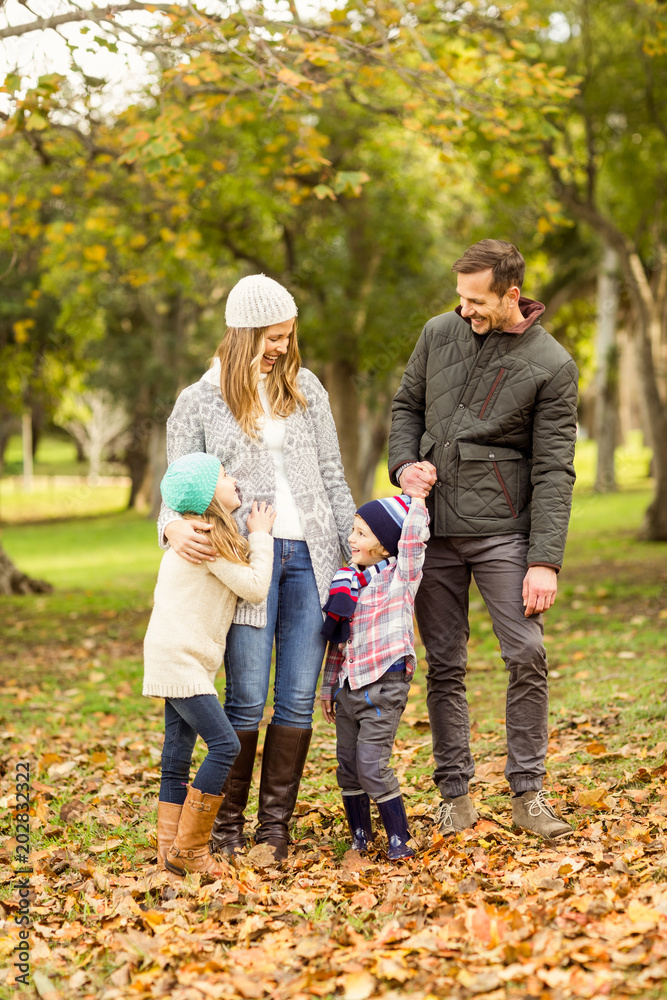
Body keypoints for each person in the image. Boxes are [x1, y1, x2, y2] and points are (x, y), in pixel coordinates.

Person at [158, 274, 356, 861]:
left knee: (295, 698)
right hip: (247, 561)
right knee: (245, 698)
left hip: (312, 561)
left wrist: (355, 552)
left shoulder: (308, 388)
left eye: (287, 337)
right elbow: (176, 489)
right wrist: (168, 528)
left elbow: (333, 476)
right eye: (271, 337)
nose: (280, 348)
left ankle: (275, 830)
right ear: (243, 333)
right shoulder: (199, 399)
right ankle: (225, 829)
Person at [388, 239, 578, 840]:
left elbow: (554, 468)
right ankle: (455, 793)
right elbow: (406, 407)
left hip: (503, 533)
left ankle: (528, 793)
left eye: (476, 300)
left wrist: (544, 560)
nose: (464, 310)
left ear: (511, 295)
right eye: (460, 297)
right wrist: (403, 467)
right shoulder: (436, 333)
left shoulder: (553, 364)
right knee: (444, 664)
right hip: (433, 530)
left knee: (526, 654)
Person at [144, 452, 276, 877]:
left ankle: (171, 856)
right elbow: (255, 588)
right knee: (225, 746)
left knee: (177, 756)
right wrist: (261, 536)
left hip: (175, 655)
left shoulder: (203, 534)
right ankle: (191, 849)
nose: (234, 479)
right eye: (223, 475)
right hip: (181, 659)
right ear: (206, 496)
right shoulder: (208, 539)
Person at [320, 495, 429, 859]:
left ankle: (400, 837)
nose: (351, 538)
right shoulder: (348, 584)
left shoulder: (401, 577)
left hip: (383, 688)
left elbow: (413, 539)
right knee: (348, 767)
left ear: (384, 546)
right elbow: (339, 643)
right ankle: (360, 836)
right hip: (348, 689)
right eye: (353, 530)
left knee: (371, 765)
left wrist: (418, 498)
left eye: (361, 533)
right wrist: (328, 687)